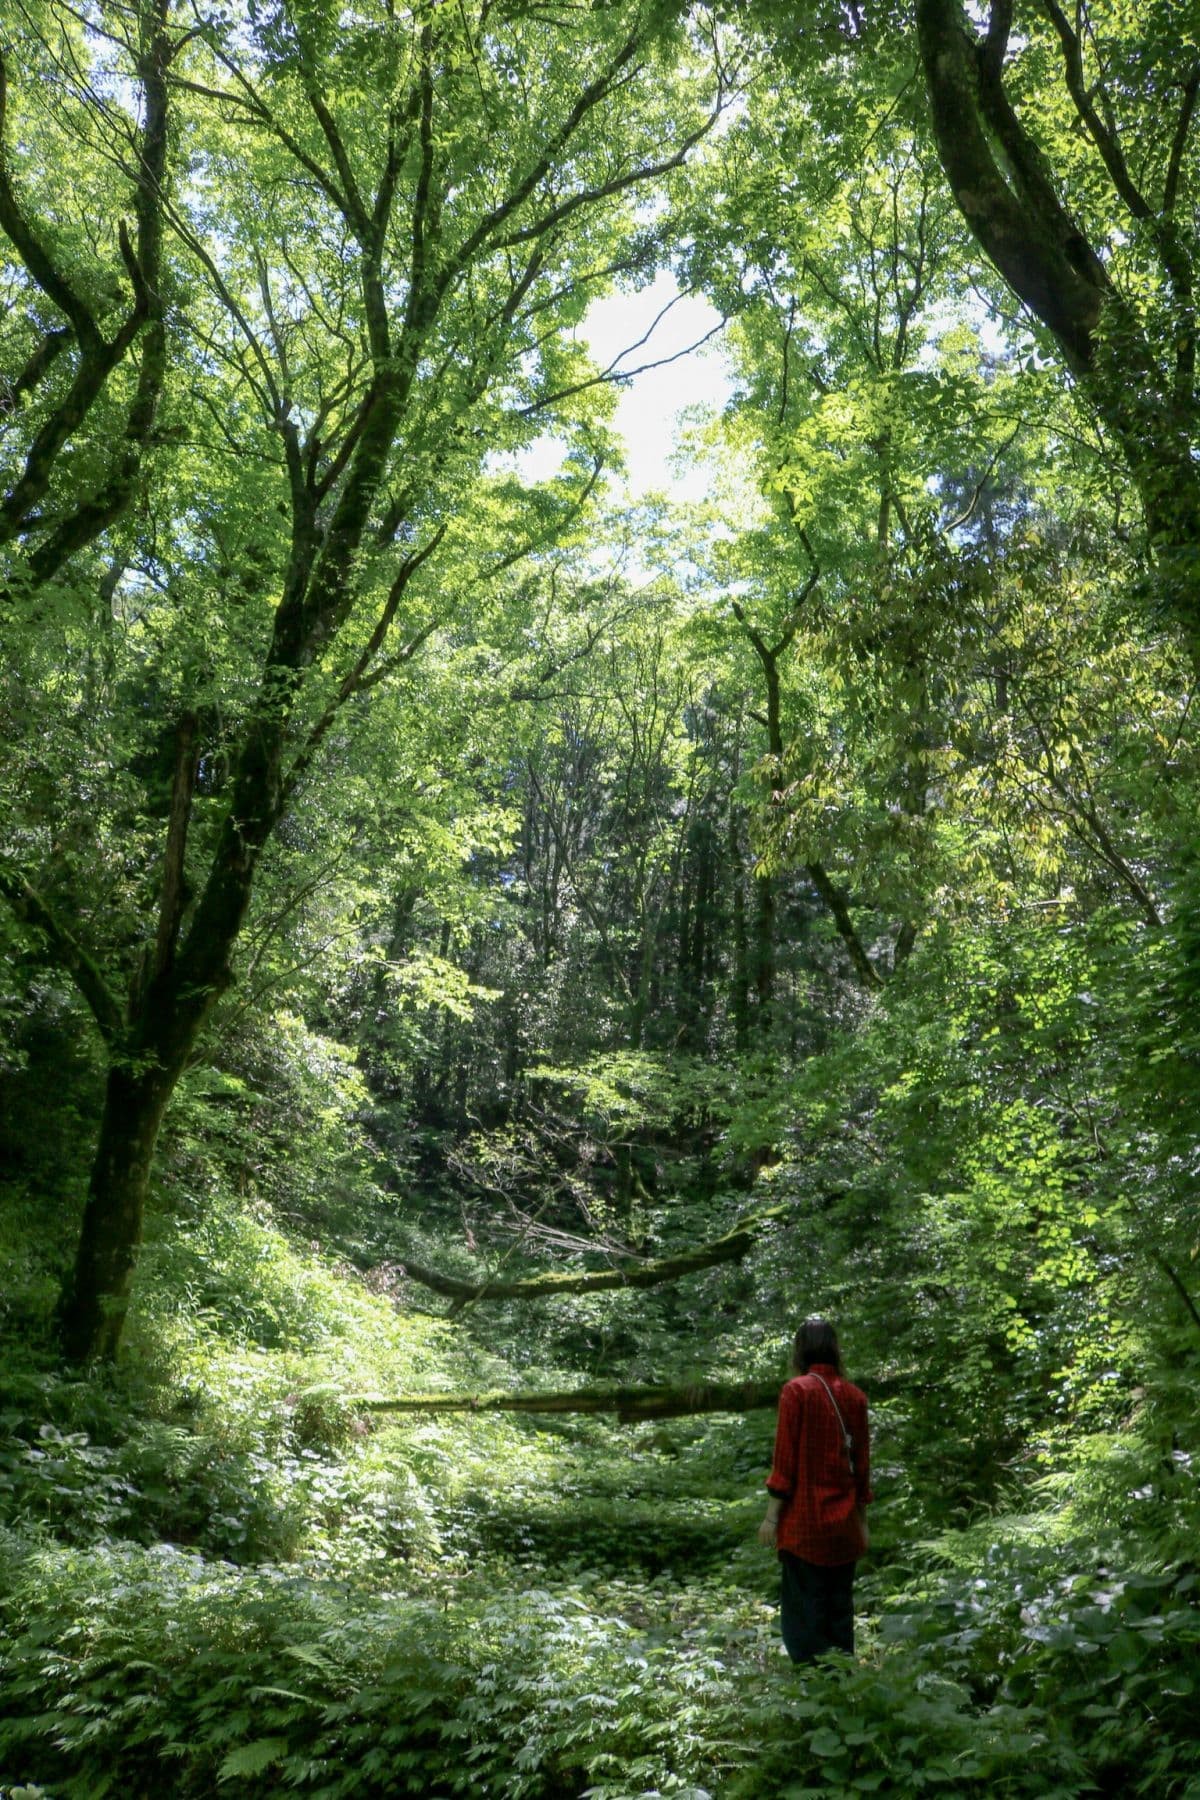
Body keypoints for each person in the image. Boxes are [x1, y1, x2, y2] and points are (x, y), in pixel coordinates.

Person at [758, 1317, 872, 1663]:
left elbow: (785, 1462)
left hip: (804, 1528)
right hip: (844, 1528)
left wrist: (771, 1518)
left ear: (801, 1350)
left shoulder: (796, 1392)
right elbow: (862, 1467)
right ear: (834, 1349)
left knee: (802, 1618)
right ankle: (840, 1691)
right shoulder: (855, 1397)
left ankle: (812, 1693)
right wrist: (862, 1522)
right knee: (838, 1614)